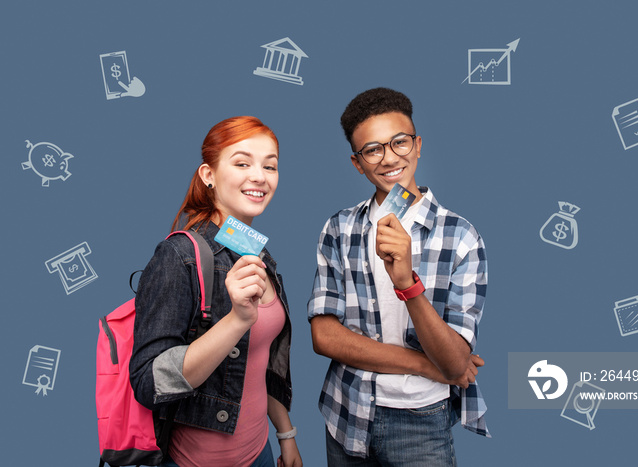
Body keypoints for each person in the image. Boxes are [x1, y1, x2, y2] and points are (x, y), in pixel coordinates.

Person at [308, 88, 489, 466]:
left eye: (400, 142)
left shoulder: (461, 237)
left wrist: (407, 283)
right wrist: (424, 365)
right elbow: (324, 336)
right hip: (346, 412)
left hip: (421, 422)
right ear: (358, 163)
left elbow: (456, 365)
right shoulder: (339, 228)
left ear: (418, 145)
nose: (389, 158)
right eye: (373, 149)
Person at [130, 116, 302, 467]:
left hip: (260, 453)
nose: (259, 176)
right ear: (208, 175)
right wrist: (237, 320)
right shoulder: (179, 257)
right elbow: (149, 384)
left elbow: (260, 363)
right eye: (242, 163)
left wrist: (285, 434)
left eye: (270, 166)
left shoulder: (258, 254)